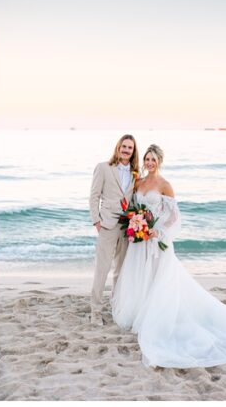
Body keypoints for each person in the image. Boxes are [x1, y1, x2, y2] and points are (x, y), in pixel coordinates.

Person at [111, 145, 226, 367]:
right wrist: (136, 223)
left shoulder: (165, 185)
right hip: (140, 240)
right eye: (147, 159)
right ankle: (140, 311)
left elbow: (174, 217)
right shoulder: (139, 182)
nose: (149, 162)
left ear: (159, 161)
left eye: (153, 159)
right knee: (141, 276)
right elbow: (134, 208)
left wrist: (157, 231)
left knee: (157, 278)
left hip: (155, 239)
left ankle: (155, 317)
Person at [88, 134, 137, 324]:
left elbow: (134, 199)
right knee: (102, 270)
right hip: (107, 224)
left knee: (120, 271)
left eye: (130, 148)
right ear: (118, 147)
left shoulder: (135, 173)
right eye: (123, 146)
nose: (126, 150)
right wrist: (96, 222)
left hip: (127, 226)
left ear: (133, 152)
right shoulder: (103, 168)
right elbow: (94, 196)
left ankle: (116, 307)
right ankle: (95, 312)